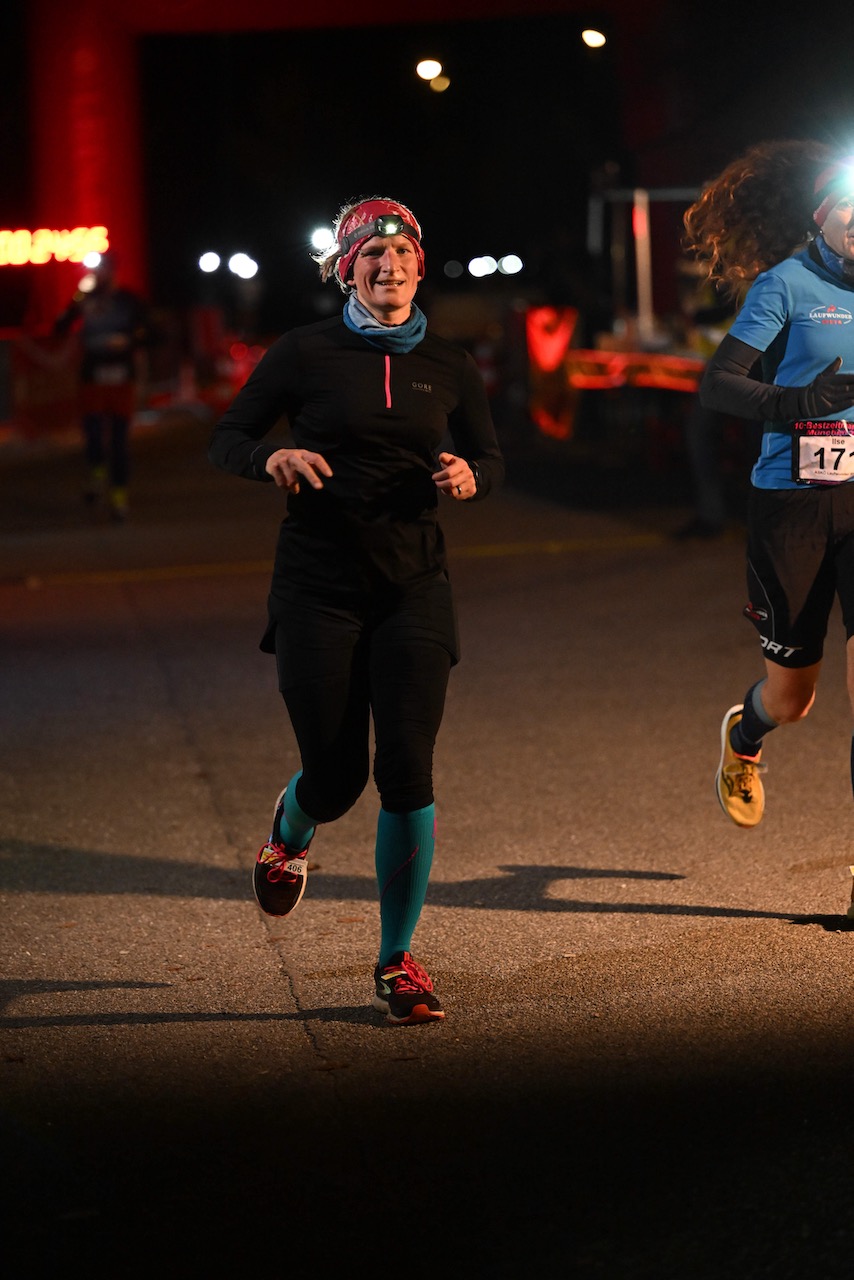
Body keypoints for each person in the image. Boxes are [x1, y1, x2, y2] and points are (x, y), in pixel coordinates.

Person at [208, 197, 504, 1023]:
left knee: (406, 768)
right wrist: (275, 455)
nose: (390, 267)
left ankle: (396, 961)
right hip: (319, 589)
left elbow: (490, 455)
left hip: (414, 586)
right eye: (372, 256)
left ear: (419, 265)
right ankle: (291, 830)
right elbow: (227, 436)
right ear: (347, 269)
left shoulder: (447, 362)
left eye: (403, 254)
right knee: (337, 777)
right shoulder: (303, 352)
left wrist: (473, 477)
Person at [683, 139, 854, 829]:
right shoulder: (785, 284)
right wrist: (798, 403)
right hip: (794, 506)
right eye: (848, 205)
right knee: (793, 700)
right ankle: (745, 735)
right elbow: (716, 384)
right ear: (821, 215)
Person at [53, 251, 152, 521]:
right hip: (93, 378)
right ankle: (96, 474)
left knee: (119, 441)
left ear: (113, 271)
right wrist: (77, 299)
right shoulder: (85, 299)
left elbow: (153, 333)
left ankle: (118, 497)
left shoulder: (128, 301)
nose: (98, 275)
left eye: (103, 269)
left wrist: (129, 341)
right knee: (94, 435)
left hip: (121, 379)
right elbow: (60, 326)